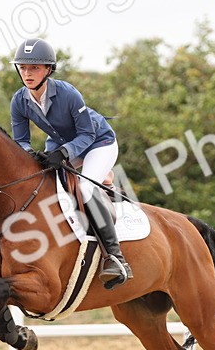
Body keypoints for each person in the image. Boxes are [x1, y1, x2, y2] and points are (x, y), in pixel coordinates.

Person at [8, 38, 133, 289]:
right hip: (61, 143)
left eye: (34, 68)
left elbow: (86, 134)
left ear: (48, 70)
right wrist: (33, 154)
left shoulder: (67, 93)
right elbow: (20, 141)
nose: (27, 73)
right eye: (23, 67)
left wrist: (63, 152)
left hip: (98, 142)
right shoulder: (19, 100)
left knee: (85, 189)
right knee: (43, 182)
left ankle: (115, 257)